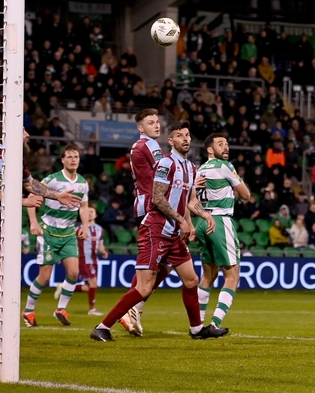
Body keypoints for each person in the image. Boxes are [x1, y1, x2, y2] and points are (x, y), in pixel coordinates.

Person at [90, 122, 224, 341]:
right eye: (180, 136)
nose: (186, 139)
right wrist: (181, 220)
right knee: (144, 288)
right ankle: (102, 327)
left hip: (173, 233)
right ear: (171, 141)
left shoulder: (191, 168)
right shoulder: (165, 163)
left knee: (191, 280)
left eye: (188, 135)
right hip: (155, 230)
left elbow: (190, 200)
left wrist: (204, 215)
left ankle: (197, 329)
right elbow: (157, 198)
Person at [0, 127, 68, 326]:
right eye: (23, 131)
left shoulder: (15, 158)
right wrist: (23, 202)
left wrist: (57, 195)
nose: (28, 135)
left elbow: (30, 184)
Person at [24, 144, 91, 327]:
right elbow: (33, 196)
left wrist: (85, 225)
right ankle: (28, 311)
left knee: (74, 272)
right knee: (45, 276)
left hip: (69, 232)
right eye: (68, 156)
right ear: (62, 160)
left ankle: (61, 309)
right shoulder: (52, 180)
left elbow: (84, 207)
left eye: (76, 156)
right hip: (48, 232)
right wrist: (33, 222)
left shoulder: (82, 183)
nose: (72, 159)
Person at [195, 133, 252, 330]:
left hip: (202, 221)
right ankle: (215, 323)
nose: (226, 147)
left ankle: (198, 324)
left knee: (207, 276)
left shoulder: (200, 169)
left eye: (227, 144)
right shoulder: (224, 166)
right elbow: (246, 195)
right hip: (220, 220)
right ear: (210, 149)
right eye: (220, 144)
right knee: (232, 276)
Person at [118, 109, 166, 337]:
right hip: (153, 205)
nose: (156, 125)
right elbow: (165, 174)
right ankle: (130, 308)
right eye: (150, 122)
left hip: (143, 203)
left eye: (157, 122)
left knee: (163, 262)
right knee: (153, 263)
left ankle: (134, 308)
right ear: (140, 128)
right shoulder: (149, 146)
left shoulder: (142, 146)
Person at [55, 207, 108, 315]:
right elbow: (68, 241)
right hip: (84, 260)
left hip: (94, 260)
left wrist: (103, 251)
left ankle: (64, 287)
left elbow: (100, 244)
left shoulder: (100, 229)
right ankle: (92, 309)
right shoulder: (79, 229)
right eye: (87, 212)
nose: (89, 214)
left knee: (89, 287)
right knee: (94, 284)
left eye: (91, 212)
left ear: (96, 215)